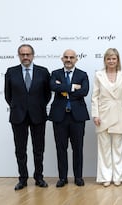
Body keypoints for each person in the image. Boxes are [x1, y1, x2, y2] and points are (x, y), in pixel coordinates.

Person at [4, 44, 51, 190]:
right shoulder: (11, 72)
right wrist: (19, 106)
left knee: (39, 149)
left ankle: (39, 177)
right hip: (18, 116)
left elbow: (47, 94)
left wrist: (37, 106)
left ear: (33, 55)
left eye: (28, 54)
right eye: (22, 54)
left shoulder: (43, 72)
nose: (25, 57)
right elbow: (8, 95)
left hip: (38, 115)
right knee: (20, 150)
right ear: (19, 56)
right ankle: (22, 179)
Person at [49, 49, 90, 187]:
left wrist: (64, 88)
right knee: (61, 148)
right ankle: (62, 178)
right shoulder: (55, 73)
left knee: (78, 148)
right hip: (59, 116)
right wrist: (73, 87)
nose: (68, 59)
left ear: (76, 59)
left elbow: (84, 91)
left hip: (77, 117)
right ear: (62, 59)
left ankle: (78, 177)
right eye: (66, 57)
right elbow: (53, 86)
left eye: (71, 57)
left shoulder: (82, 74)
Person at [91, 48, 122, 187]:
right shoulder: (98, 75)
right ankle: (105, 177)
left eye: (114, 58)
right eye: (109, 58)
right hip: (103, 114)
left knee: (118, 147)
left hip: (119, 112)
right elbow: (94, 96)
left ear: (118, 60)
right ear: (105, 60)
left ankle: (118, 176)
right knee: (104, 148)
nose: (111, 61)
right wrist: (95, 114)